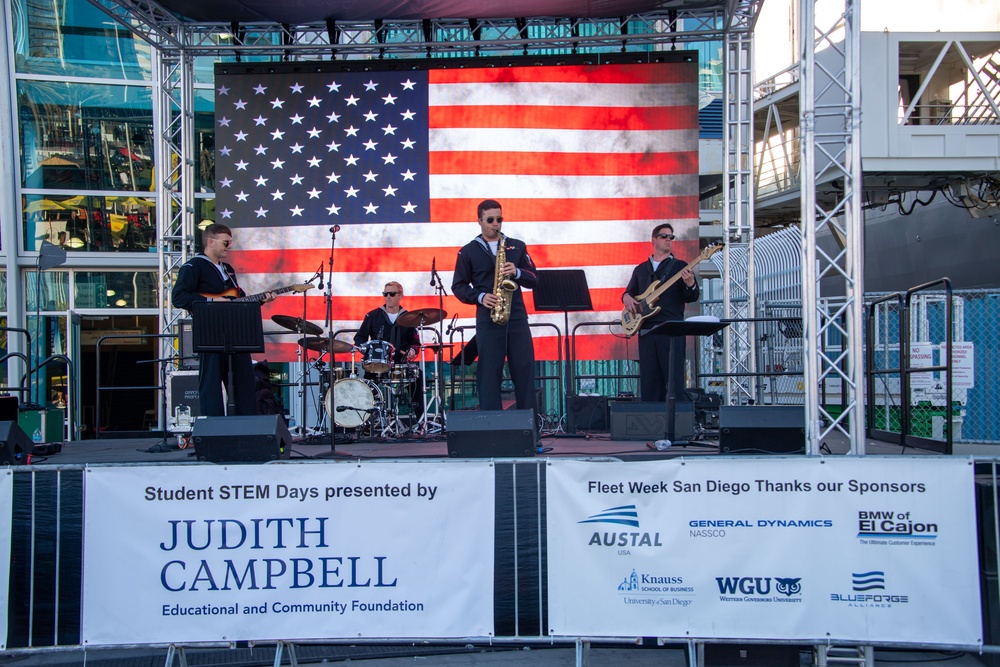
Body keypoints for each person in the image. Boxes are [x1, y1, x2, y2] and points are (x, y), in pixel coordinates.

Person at [171, 223, 274, 416]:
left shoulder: (227, 269)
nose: (229, 246)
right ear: (210, 242)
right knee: (211, 383)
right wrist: (210, 301)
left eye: (231, 242)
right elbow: (179, 297)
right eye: (226, 242)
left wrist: (260, 300)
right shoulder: (194, 266)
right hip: (211, 334)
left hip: (235, 334)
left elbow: (238, 300)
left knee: (244, 381)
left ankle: (246, 427)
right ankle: (215, 429)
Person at [452, 199, 538, 413]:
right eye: (490, 220)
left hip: (516, 316)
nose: (495, 224)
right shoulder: (468, 251)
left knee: (524, 370)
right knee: (489, 373)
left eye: (499, 219)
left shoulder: (516, 246)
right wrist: (480, 297)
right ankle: (492, 428)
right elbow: (458, 286)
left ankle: (531, 430)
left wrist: (517, 272)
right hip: (488, 318)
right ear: (479, 220)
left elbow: (534, 278)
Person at [622, 223, 700, 403]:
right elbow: (630, 292)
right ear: (654, 240)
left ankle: (676, 424)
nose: (668, 240)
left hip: (671, 330)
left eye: (671, 237)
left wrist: (690, 284)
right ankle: (651, 424)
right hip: (647, 330)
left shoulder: (679, 266)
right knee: (649, 380)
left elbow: (692, 296)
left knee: (673, 380)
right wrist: (626, 297)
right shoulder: (641, 269)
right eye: (664, 236)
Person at [353, 281, 423, 419]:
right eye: (385, 294)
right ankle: (366, 421)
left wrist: (413, 351)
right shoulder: (373, 316)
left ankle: (420, 419)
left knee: (417, 376)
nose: (388, 297)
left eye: (392, 293)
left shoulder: (408, 317)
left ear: (400, 295)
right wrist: (365, 349)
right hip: (377, 363)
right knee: (367, 385)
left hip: (400, 363)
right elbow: (359, 337)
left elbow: (415, 342)